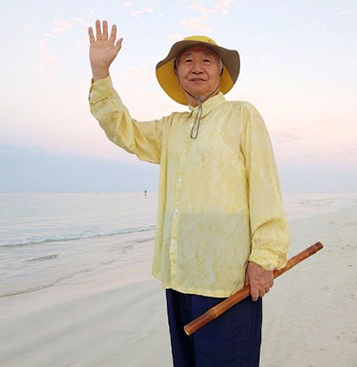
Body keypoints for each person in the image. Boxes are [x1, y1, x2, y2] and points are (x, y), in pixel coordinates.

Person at [87, 20, 290, 367]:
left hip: (228, 278)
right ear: (178, 73)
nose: (197, 67)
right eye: (188, 61)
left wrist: (265, 257)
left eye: (207, 60)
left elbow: (265, 185)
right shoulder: (172, 127)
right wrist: (101, 73)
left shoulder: (241, 115)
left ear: (220, 71)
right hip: (179, 276)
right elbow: (126, 132)